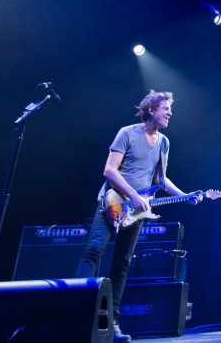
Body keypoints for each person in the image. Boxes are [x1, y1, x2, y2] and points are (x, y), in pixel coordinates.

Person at [76, 90, 201, 343]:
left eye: (170, 110)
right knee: (94, 251)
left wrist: (185, 196)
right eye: (166, 109)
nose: (170, 113)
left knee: (122, 263)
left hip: (137, 210)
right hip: (112, 202)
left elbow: (160, 179)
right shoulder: (127, 133)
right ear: (151, 110)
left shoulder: (164, 142)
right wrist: (132, 194)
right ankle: (76, 310)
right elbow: (109, 170)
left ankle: (112, 322)